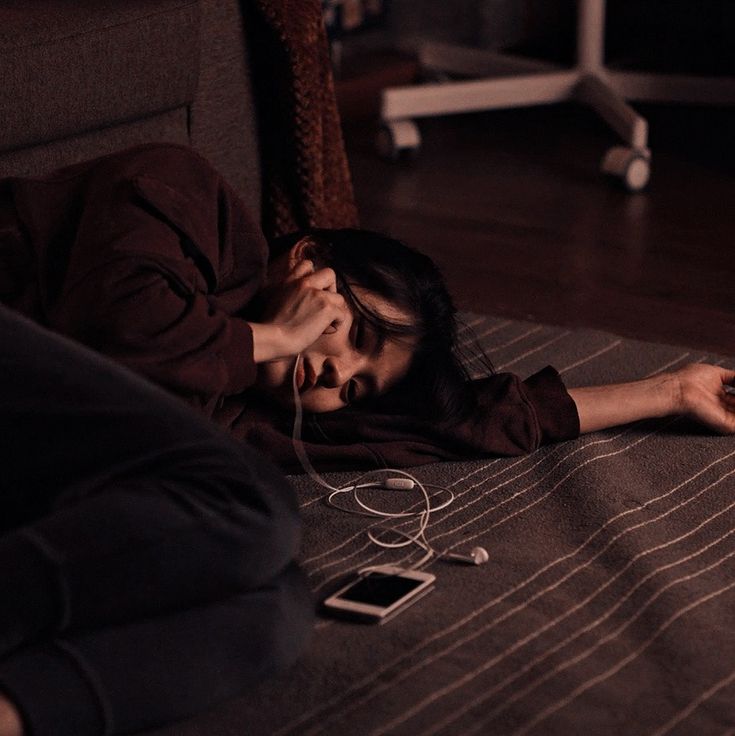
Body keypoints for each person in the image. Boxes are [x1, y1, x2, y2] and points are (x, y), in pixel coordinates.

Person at [1, 143, 734, 735]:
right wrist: (268, 335)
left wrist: (667, 390)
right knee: (254, 511)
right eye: (352, 333)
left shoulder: (245, 412)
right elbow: (110, 329)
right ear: (308, 262)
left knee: (278, 610)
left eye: (351, 386)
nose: (330, 370)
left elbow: (452, 421)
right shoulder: (189, 199)